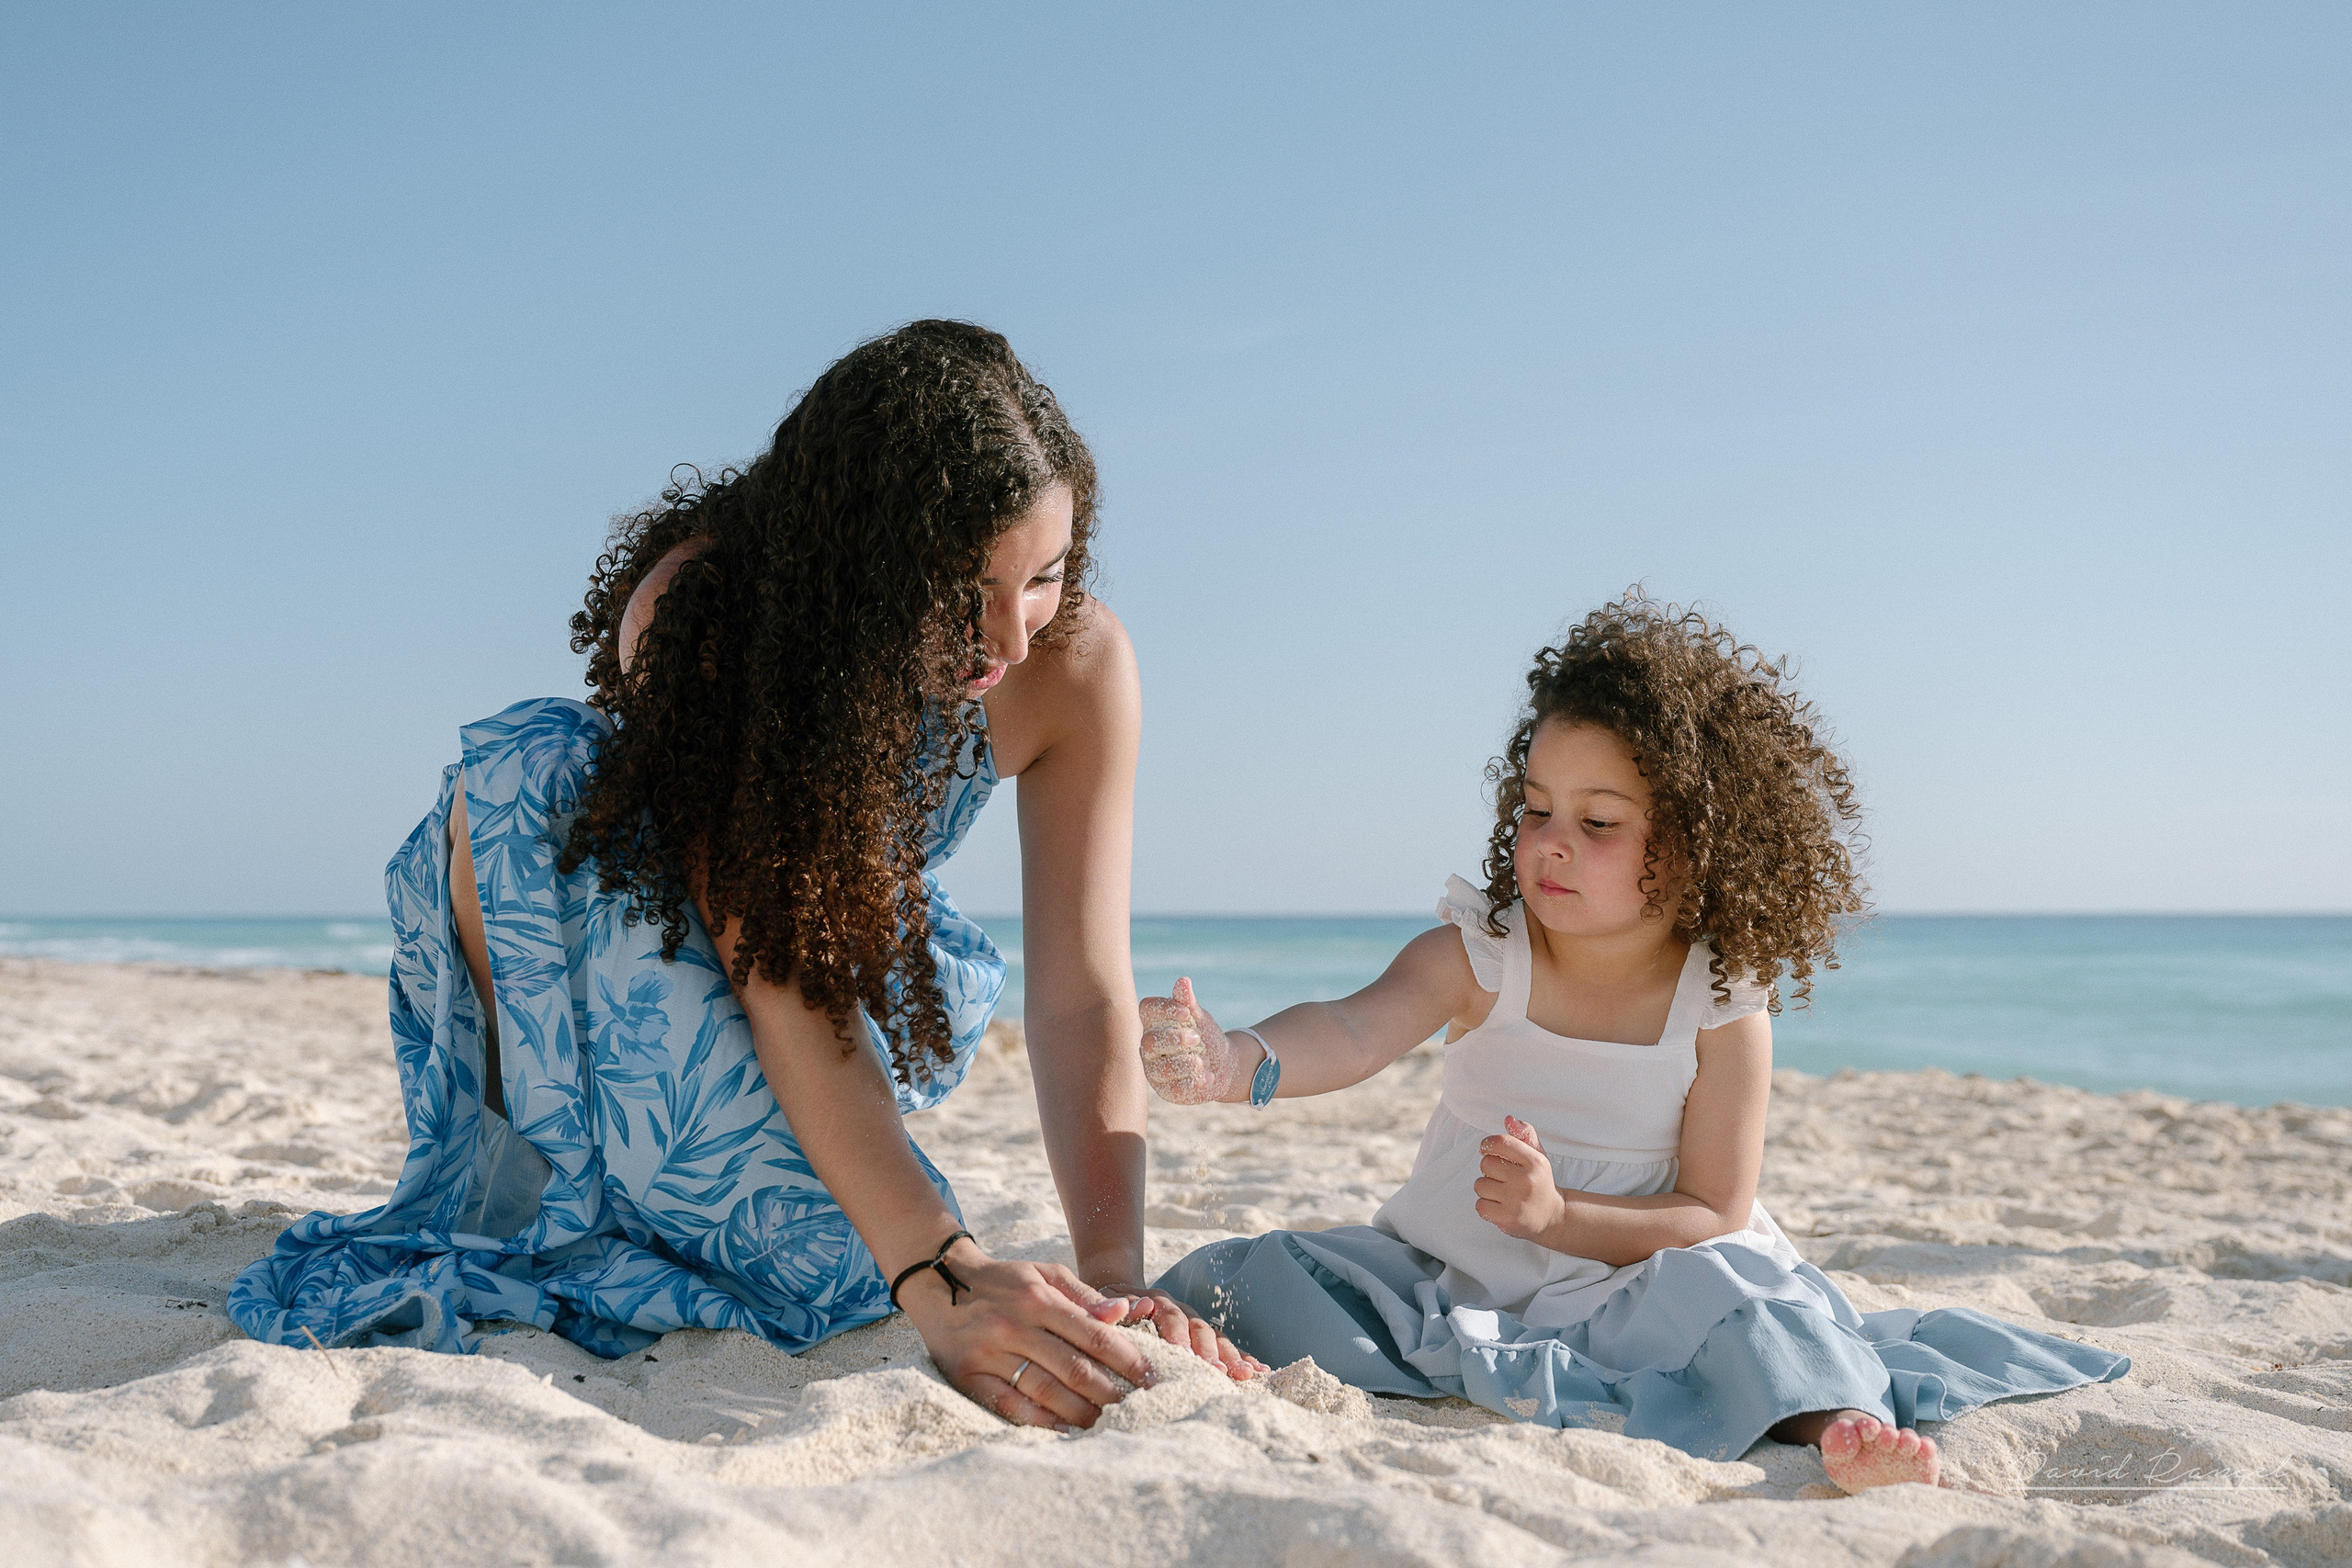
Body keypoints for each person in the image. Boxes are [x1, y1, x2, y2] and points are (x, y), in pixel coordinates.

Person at [231, 320, 1257, 1432]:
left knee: (829, 1272)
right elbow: (776, 968)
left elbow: (1079, 992)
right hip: (608, 925)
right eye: (963, 584)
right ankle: (555, 1188)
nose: (1006, 636)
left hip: (827, 936)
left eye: (1042, 575)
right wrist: (941, 1269)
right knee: (858, 1273)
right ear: (857, 557)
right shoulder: (713, 617)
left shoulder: (1076, 667)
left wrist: (1113, 1272)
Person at [1136, 593, 2129, 1489]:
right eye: (1534, 809)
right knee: (1260, 1273)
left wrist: (1560, 1216)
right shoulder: (1481, 954)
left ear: (1696, 845)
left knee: (1764, 1315)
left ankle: (1836, 1429)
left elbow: (1710, 1208)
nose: (1550, 841)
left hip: (1643, 1277)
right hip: (1456, 1274)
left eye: (1598, 821)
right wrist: (1242, 1061)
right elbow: (1353, 1027)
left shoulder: (1722, 1003)